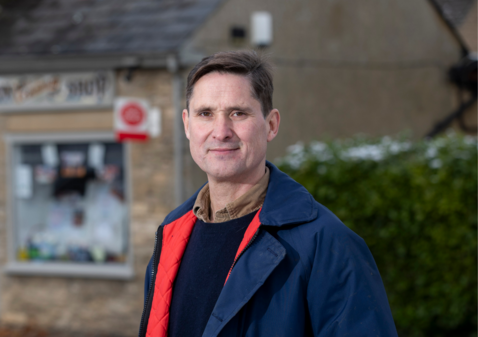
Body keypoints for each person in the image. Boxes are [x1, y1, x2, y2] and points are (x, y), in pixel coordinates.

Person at [138, 50, 398, 337]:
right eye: (205, 113)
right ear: (188, 125)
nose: (221, 131)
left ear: (271, 125)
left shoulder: (326, 244)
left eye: (238, 113)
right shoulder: (172, 231)